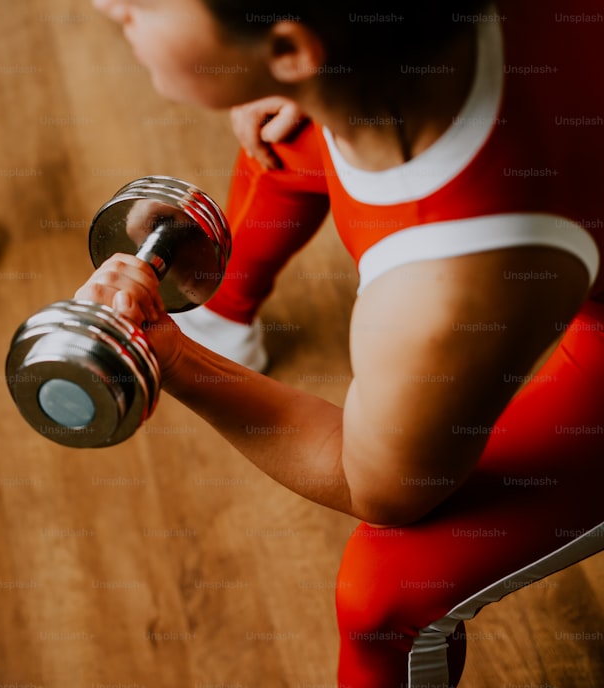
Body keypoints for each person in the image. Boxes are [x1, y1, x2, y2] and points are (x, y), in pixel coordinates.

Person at [84, 0, 604, 686]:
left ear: (294, 47)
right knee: (293, 126)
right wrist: (306, 84)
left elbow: (377, 484)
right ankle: (227, 309)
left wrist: (174, 358)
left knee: (384, 593)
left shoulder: (441, 291)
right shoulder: (362, 57)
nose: (106, 5)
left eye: (146, 4)